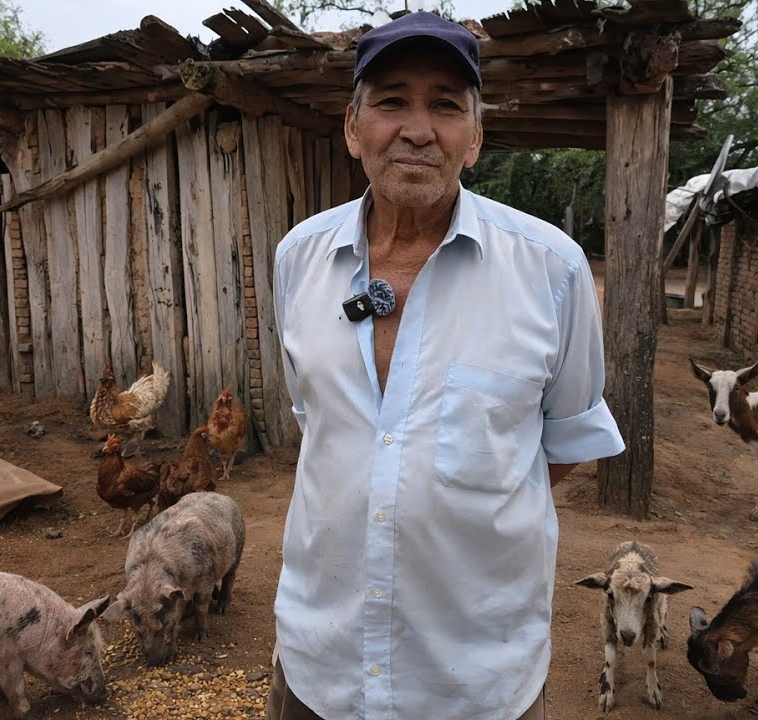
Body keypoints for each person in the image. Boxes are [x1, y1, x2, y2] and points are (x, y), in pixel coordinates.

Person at [267, 10, 626, 720]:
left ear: (476, 138)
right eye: (391, 101)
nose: (418, 129)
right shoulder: (298, 259)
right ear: (352, 127)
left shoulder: (552, 271)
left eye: (446, 106)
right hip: (321, 663)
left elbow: (562, 448)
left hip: (477, 678)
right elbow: (322, 423)